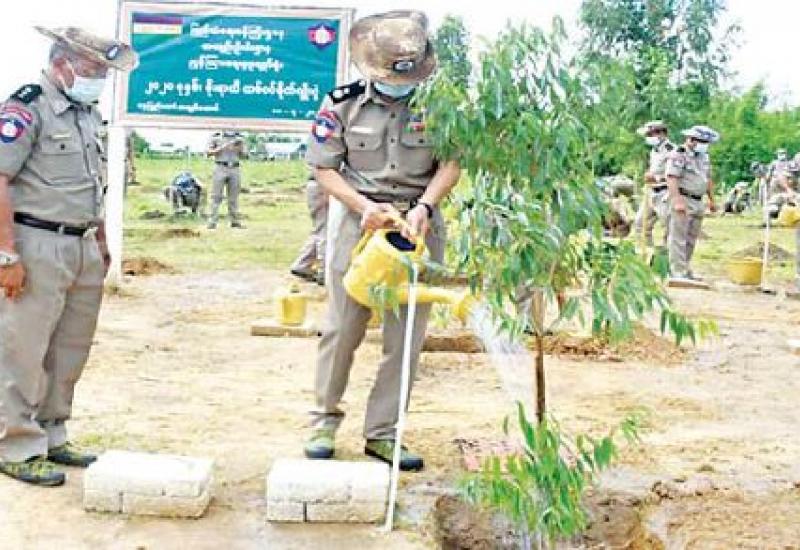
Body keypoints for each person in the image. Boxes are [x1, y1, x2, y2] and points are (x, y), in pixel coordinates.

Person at [303, 10, 460, 471]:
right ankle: (324, 422)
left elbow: (451, 164)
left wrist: (425, 206)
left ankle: (384, 433)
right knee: (341, 328)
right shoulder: (342, 103)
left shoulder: (442, 106)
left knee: (406, 336)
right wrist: (364, 207)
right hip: (360, 222)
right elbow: (324, 168)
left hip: (417, 225)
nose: (398, 85)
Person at [0, 26, 137, 486]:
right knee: (23, 350)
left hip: (82, 245)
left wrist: (101, 240)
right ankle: (16, 445)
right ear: (61, 64)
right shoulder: (26, 108)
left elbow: (91, 185)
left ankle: (53, 433)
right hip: (35, 243)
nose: (100, 79)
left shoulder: (86, 114)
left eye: (104, 72)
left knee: (69, 349)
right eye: (93, 69)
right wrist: (6, 255)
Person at [665, 125, 719, 286]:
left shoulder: (703, 157)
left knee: (691, 238)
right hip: (684, 198)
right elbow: (672, 177)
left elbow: (707, 179)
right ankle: (677, 271)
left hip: (698, 200)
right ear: (693, 140)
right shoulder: (679, 154)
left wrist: (712, 199)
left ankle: (685, 269)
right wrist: (677, 200)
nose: (705, 145)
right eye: (704, 142)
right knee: (678, 237)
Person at [633, 121, 675, 247]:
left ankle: (668, 253)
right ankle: (647, 252)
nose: (648, 138)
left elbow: (676, 174)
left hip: (665, 192)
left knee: (669, 226)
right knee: (640, 223)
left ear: (661, 134)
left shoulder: (672, 151)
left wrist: (656, 178)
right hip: (651, 191)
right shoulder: (654, 150)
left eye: (650, 135)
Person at [290, 173, 328, 285]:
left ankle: (302, 265)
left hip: (317, 185)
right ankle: (324, 272)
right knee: (325, 231)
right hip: (323, 185)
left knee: (319, 229)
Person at [206, 131, 245, 229]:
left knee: (233, 197)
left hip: (235, 167)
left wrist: (239, 148)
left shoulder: (239, 138)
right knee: (216, 196)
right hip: (220, 166)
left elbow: (245, 155)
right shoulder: (216, 137)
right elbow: (208, 152)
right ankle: (212, 221)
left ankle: (235, 221)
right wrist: (222, 147)